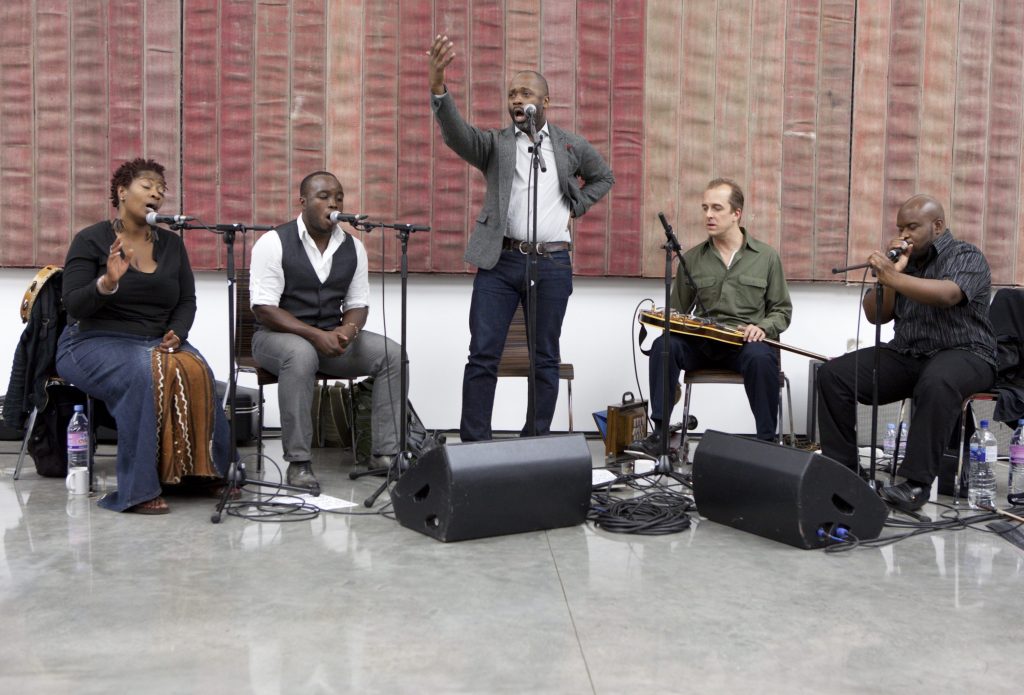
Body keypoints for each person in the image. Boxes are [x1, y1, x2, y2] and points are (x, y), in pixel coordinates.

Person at [427, 34, 615, 441]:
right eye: (511, 93)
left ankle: (534, 444)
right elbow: (457, 134)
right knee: (483, 355)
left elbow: (604, 176)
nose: (516, 99)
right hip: (501, 262)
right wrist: (439, 86)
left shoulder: (568, 145)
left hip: (552, 263)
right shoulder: (496, 144)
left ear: (545, 102)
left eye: (525, 92)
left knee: (544, 358)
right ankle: (476, 446)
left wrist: (577, 205)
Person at [56, 158, 233, 514]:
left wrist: (178, 333)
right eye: (147, 185)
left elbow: (186, 300)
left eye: (161, 189)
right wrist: (106, 283)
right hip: (91, 341)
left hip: (154, 341)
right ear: (122, 192)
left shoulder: (171, 245)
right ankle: (137, 489)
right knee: (144, 370)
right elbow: (73, 304)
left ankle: (204, 473)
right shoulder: (90, 240)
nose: (156, 193)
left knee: (197, 368)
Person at [816, 195, 996, 512]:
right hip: (909, 354)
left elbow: (948, 294)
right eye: (900, 227)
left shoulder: (966, 255)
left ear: (937, 226)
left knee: (937, 380)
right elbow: (876, 315)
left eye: (912, 226)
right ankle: (843, 472)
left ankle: (915, 485)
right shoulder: (904, 264)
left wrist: (894, 276)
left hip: (967, 353)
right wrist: (891, 277)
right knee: (833, 375)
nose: (904, 234)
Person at [250, 171, 402, 490]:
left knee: (392, 355)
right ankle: (299, 462)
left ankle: (385, 454)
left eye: (338, 197)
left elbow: (358, 302)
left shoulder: (353, 247)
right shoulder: (274, 242)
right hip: (274, 339)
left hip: (328, 339)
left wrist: (348, 330)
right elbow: (264, 308)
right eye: (323, 197)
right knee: (301, 353)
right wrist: (316, 335)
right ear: (302, 202)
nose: (333, 202)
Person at [630, 178, 792, 455]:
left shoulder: (766, 257)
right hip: (702, 345)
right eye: (705, 207)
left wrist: (762, 327)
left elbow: (782, 310)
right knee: (664, 345)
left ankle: (767, 443)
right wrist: (667, 318)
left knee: (762, 357)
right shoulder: (691, 259)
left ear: (736, 214)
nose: (708, 215)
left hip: (743, 345)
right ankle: (660, 433)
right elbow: (678, 311)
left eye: (717, 208)